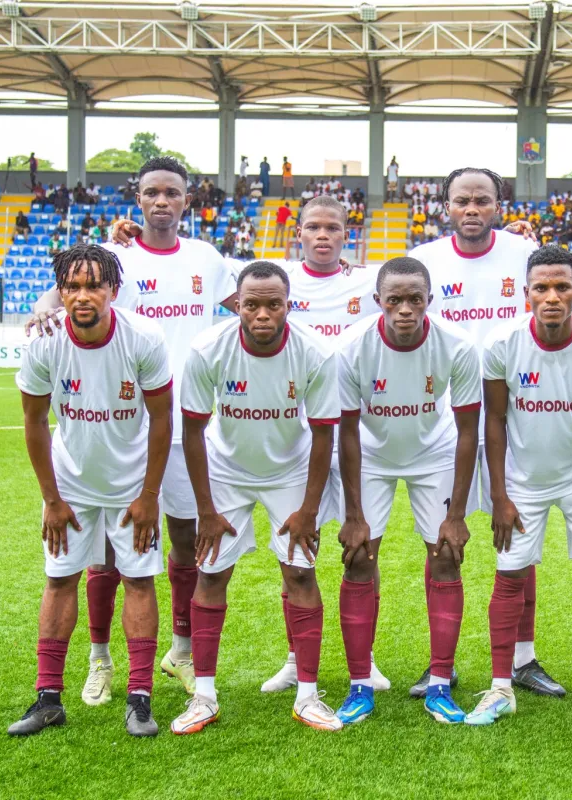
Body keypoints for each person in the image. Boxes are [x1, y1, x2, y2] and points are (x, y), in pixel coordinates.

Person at [25, 156, 238, 705]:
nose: (162, 201)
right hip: (124, 429)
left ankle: (181, 651)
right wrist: (44, 308)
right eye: (152, 192)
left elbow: (256, 299)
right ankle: (100, 659)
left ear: (188, 200)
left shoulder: (207, 258)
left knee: (186, 539)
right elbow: (65, 286)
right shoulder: (115, 254)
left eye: (172, 192)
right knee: (107, 549)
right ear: (137, 199)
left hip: (186, 421)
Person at [406, 167, 562, 698]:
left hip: (512, 418)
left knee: (517, 540)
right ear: (445, 206)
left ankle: (523, 659)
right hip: (443, 421)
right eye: (462, 200)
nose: (471, 209)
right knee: (441, 544)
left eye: (482, 200)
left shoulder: (526, 254)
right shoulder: (424, 260)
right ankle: (440, 665)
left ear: (499, 205)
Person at [468, 245, 572, 728]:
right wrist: (499, 495)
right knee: (509, 575)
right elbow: (494, 420)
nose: (551, 297)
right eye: (541, 288)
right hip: (523, 481)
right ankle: (501, 688)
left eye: (562, 287)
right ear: (525, 293)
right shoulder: (502, 343)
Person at [169, 261, 341, 735]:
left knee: (301, 573)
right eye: (251, 305)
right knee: (210, 573)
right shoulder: (208, 350)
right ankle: (204, 697)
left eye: (273, 305)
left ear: (289, 305)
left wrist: (308, 510)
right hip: (227, 472)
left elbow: (324, 434)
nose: (262, 315)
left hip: (290, 471)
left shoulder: (316, 352)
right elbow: (193, 431)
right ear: (237, 305)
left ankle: (308, 697)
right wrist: (205, 510)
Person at [9, 244, 173, 738]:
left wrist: (149, 495)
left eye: (94, 286)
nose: (83, 296)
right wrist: (52, 500)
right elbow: (34, 422)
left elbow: (162, 419)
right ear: (60, 292)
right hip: (71, 485)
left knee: (138, 580)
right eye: (72, 286)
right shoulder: (44, 343)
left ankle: (140, 699)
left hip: (131, 486)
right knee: (60, 579)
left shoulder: (143, 337)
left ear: (113, 291)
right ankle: (48, 699)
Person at [332, 257, 481, 725]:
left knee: (445, 555)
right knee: (359, 559)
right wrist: (354, 515)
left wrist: (456, 515)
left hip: (433, 453)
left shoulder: (457, 345)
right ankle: (360, 685)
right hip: (371, 455)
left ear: (429, 300)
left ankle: (440, 683)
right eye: (394, 299)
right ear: (377, 300)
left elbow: (468, 431)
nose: (404, 309)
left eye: (415, 299)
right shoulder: (351, 347)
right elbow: (347, 432)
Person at [255, 195, 388, 695]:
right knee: (295, 555)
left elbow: (423, 279)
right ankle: (295, 659)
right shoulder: (277, 281)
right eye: (313, 227)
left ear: (347, 234)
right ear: (300, 234)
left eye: (333, 227)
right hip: (298, 439)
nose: (323, 235)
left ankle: (364, 660)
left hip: (357, 436)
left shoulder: (368, 281)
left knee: (362, 553)